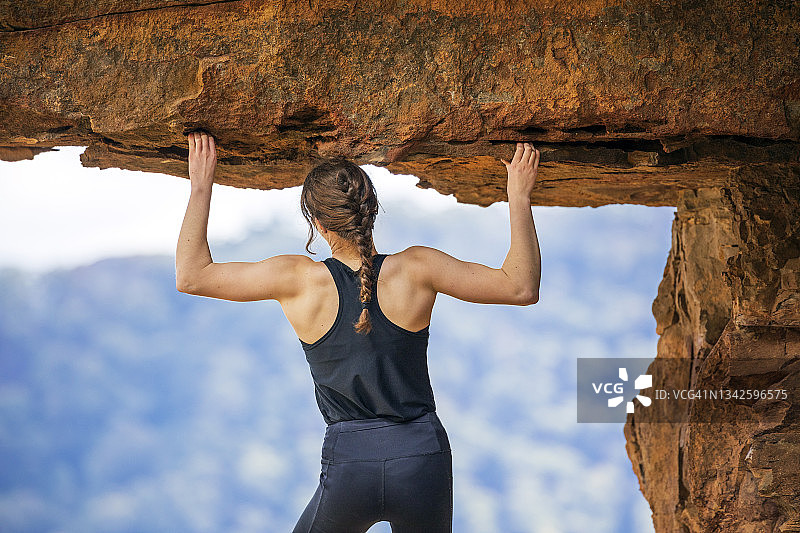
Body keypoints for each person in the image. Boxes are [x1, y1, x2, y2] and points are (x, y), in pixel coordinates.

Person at [176, 131, 542, 532]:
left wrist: (200, 186)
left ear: (317, 223)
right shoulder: (417, 269)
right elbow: (520, 287)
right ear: (372, 210)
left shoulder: (297, 279)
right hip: (423, 459)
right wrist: (519, 198)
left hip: (350, 464)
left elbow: (192, 276)